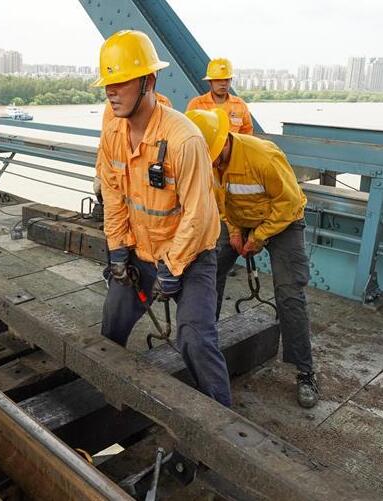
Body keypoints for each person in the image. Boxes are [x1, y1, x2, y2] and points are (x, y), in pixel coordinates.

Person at [93, 30, 232, 407]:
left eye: (121, 82)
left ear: (149, 81)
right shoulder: (112, 135)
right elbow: (113, 197)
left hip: (191, 256)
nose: (111, 92)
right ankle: (107, 398)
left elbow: (199, 214)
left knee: (195, 338)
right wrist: (118, 249)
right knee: (112, 322)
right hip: (140, 250)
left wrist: (172, 266)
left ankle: (221, 421)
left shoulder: (184, 139)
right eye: (108, 85)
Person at [186, 108, 319, 408]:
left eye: (212, 157)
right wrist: (234, 231)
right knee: (209, 271)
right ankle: (205, 346)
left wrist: (258, 237)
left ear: (224, 142)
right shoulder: (208, 162)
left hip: (282, 222)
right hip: (239, 219)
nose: (211, 164)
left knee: (289, 293)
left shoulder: (263, 156)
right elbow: (220, 202)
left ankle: (305, 371)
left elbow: (289, 204)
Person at [92, 93, 172, 220]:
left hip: (148, 172)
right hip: (125, 170)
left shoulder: (163, 103)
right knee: (120, 211)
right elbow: (106, 143)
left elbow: (167, 144)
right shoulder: (114, 106)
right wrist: (100, 175)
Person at [186, 58, 254, 134]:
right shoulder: (197, 104)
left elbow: (247, 130)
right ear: (209, 82)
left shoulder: (240, 104)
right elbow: (188, 130)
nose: (223, 83)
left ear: (231, 80)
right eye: (218, 80)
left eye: (227, 79)